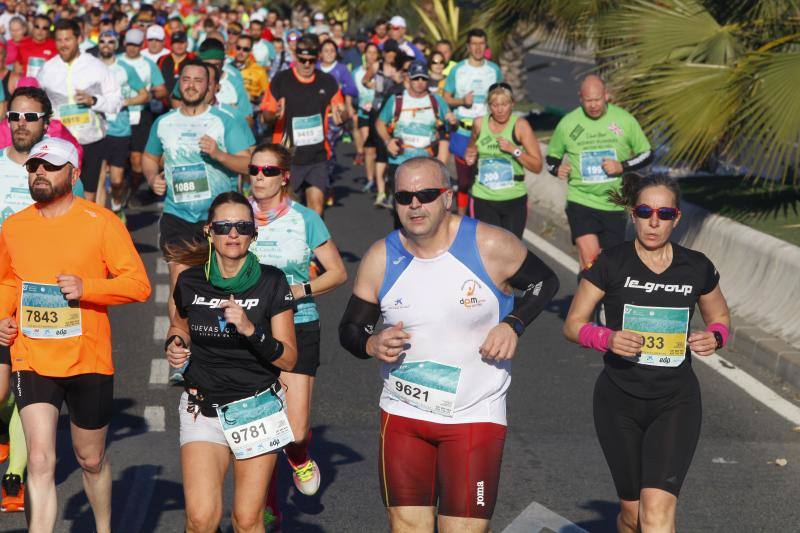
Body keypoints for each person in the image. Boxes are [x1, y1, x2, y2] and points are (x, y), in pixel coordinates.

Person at [339, 156, 559, 533]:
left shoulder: (489, 244)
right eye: (404, 196)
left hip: (473, 417)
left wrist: (512, 324)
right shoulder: (381, 257)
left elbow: (545, 283)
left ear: (448, 197)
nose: (414, 205)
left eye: (426, 194)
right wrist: (372, 344)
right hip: (404, 415)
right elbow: (350, 330)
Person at [563, 173, 730, 533]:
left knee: (656, 514)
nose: (654, 222)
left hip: (675, 401)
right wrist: (605, 338)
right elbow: (573, 324)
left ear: (677, 218)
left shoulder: (696, 266)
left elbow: (719, 317)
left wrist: (715, 337)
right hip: (618, 402)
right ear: (632, 214)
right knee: (632, 515)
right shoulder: (610, 263)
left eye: (664, 214)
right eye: (644, 212)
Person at [0, 137, 151, 532]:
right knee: (39, 459)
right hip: (32, 356)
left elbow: (138, 284)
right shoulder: (14, 227)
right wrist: (2, 318)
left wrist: (89, 288)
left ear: (74, 172)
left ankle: (103, 527)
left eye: (49, 167)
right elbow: (9, 282)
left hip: (88, 358)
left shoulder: (101, 222)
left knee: (90, 459)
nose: (40, 174)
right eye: (34, 167)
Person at [164, 191, 297, 533]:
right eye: (224, 226)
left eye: (242, 226)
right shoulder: (190, 280)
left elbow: (290, 357)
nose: (233, 234)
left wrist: (251, 329)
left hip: (257, 407)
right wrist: (175, 342)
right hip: (202, 405)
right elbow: (179, 322)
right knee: (200, 519)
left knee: (247, 519)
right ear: (210, 231)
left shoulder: (272, 281)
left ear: (255, 233)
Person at [247, 143, 347, 524]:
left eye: (268, 171)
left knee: (296, 428)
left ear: (285, 176)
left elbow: (337, 272)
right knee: (259, 425)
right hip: (248, 328)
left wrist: (296, 291)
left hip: (298, 321)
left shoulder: (306, 219)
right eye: (254, 170)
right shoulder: (237, 216)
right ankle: (267, 506)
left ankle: (299, 457)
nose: (259, 177)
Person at [0, 85, 86, 513]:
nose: (20, 124)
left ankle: (15, 470)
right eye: (13, 116)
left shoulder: (63, 171)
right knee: (1, 392)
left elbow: (79, 227)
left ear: (45, 122)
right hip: (1, 289)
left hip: (40, 299)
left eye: (29, 117)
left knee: (23, 384)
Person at [144, 58, 253, 382]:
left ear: (210, 86)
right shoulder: (164, 122)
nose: (191, 84)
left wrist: (218, 154)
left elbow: (249, 164)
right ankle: (179, 352)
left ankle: (225, 352)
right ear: (180, 84)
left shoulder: (226, 120)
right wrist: (153, 179)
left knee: (223, 286)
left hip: (219, 219)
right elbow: (150, 159)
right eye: (186, 79)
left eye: (198, 80)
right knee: (181, 286)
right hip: (179, 215)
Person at [546, 75, 653, 270]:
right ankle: (589, 296)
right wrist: (557, 169)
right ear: (580, 98)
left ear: (606, 96)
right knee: (591, 258)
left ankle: (594, 294)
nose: (593, 105)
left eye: (597, 99)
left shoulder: (624, 120)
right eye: (588, 101)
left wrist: (622, 166)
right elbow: (551, 159)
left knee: (612, 265)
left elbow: (646, 154)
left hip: (614, 204)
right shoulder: (569, 123)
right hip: (581, 200)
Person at [37, 17, 123, 203]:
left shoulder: (95, 66)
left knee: (87, 196)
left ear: (78, 39)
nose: (63, 45)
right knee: (59, 193)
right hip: (60, 140)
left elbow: (116, 100)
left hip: (90, 140)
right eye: (59, 40)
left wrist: (94, 100)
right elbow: (38, 101)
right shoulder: (47, 69)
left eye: (67, 39)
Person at [261, 34, 347, 216]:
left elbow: (341, 110)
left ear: (317, 58)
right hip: (287, 157)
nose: (307, 64)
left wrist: (343, 115)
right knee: (286, 211)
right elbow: (265, 115)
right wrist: (274, 113)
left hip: (317, 155)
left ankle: (313, 244)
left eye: (311, 60)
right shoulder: (281, 80)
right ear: (295, 57)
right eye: (302, 59)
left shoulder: (327, 82)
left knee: (316, 209)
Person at [376, 61, 454, 218]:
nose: (419, 82)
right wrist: (387, 141)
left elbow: (447, 127)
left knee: (426, 212)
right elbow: (380, 123)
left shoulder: (436, 101)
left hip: (426, 165)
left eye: (423, 79)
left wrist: (453, 121)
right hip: (399, 162)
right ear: (408, 79)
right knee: (402, 213)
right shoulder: (396, 100)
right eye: (416, 78)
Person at [464, 83, 542, 238]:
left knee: (512, 250)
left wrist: (515, 150)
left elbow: (537, 166)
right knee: (487, 247)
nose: (500, 110)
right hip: (483, 197)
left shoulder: (520, 126)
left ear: (512, 104)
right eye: (495, 105)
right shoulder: (479, 123)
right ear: (489, 106)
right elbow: (471, 148)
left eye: (504, 104)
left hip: (513, 198)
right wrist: (470, 156)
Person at [444, 29, 502, 215]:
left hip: (486, 132)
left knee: (483, 179)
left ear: (486, 46)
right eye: (474, 44)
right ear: (468, 46)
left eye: (481, 44)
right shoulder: (458, 70)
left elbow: (501, 97)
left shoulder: (493, 70)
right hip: (463, 132)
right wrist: (462, 101)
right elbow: (445, 97)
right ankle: (461, 220)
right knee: (463, 181)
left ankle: (481, 218)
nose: (478, 48)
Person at [96, 30, 149, 222]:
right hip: (97, 130)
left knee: (117, 181)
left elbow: (145, 94)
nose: (106, 45)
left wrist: (123, 102)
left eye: (110, 42)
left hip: (120, 130)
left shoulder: (125, 68)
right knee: (100, 179)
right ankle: (100, 221)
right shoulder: (90, 66)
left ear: (116, 45)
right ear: (98, 44)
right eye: (102, 41)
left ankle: (117, 206)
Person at [353, 42, 380, 193]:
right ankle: (370, 179)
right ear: (365, 55)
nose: (372, 56)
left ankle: (380, 178)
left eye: (375, 53)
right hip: (364, 112)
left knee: (379, 149)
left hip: (379, 114)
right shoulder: (357, 72)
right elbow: (351, 92)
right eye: (369, 53)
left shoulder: (382, 72)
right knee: (369, 148)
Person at [14, 13, 56, 78]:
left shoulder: (55, 45)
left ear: (48, 31)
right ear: (33, 28)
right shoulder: (22, 44)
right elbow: (17, 70)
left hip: (46, 86)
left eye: (44, 28)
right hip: (26, 86)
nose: (40, 31)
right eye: (37, 27)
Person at [158, 30, 194, 97]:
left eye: (182, 42)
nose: (179, 45)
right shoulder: (162, 60)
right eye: (176, 42)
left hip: (187, 100)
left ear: (187, 43)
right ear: (171, 44)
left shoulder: (194, 59)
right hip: (164, 102)